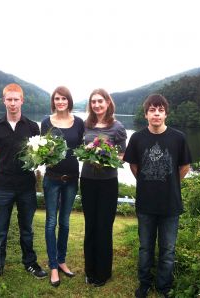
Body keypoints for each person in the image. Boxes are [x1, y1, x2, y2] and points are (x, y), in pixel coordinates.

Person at [123, 94, 192, 298]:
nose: (156, 114)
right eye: (152, 110)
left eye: (160, 110)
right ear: (146, 114)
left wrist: (170, 184)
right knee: (145, 247)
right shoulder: (137, 138)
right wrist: (147, 182)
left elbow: (185, 167)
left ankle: (164, 286)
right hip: (145, 203)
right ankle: (144, 283)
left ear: (166, 114)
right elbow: (134, 166)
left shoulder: (178, 138)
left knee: (168, 249)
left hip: (171, 204)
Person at [0, 83, 47, 280]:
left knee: (27, 230)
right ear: (4, 101)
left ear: (22, 101)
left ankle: (30, 263)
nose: (12, 103)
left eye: (16, 99)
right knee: (0, 231)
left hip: (26, 187)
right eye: (9, 99)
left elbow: (38, 156)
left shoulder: (32, 127)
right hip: (4, 187)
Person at [80, 88, 127, 287]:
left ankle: (103, 273)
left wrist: (105, 158)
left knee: (104, 226)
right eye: (93, 102)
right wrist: (88, 152)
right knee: (90, 225)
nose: (97, 105)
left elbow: (123, 155)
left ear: (108, 103)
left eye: (100, 101)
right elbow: (81, 148)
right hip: (88, 180)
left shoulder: (117, 127)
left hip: (108, 182)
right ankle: (90, 270)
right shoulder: (86, 125)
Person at [40, 86, 84, 287]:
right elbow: (42, 151)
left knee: (65, 223)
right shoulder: (46, 123)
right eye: (57, 98)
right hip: (52, 178)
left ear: (69, 101)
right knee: (51, 222)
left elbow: (85, 148)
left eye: (64, 98)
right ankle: (53, 267)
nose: (60, 102)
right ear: (53, 101)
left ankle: (62, 260)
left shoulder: (79, 123)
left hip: (72, 179)